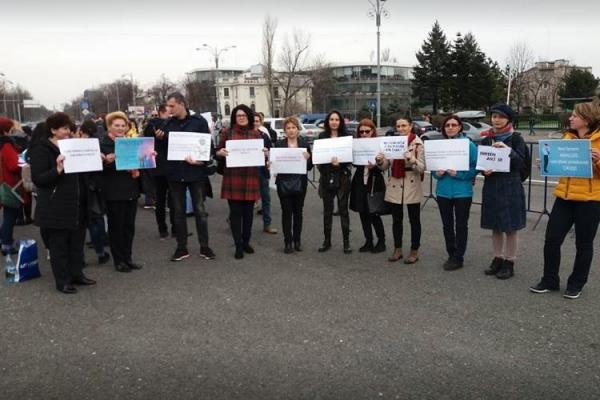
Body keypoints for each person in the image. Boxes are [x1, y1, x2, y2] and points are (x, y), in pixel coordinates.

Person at [530, 102, 600, 299]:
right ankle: (549, 280)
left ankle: (576, 283)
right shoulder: (567, 137)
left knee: (584, 244)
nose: (570, 118)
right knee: (552, 239)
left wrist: (598, 159)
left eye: (574, 116)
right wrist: (545, 163)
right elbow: (562, 165)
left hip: (590, 200)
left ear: (587, 118)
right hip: (564, 197)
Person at [29, 112, 96, 294]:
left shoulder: (72, 146)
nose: (69, 131)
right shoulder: (41, 149)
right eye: (65, 128)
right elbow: (39, 179)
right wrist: (57, 169)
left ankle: (77, 274)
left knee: (77, 242)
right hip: (56, 204)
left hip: (78, 202)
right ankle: (63, 280)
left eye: (70, 128)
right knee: (59, 245)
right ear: (53, 130)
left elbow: (84, 171)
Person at [162, 92, 216, 262]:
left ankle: (204, 246)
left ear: (182, 104)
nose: (169, 109)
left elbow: (208, 146)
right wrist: (159, 141)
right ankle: (181, 247)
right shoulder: (168, 124)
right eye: (168, 106)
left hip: (195, 174)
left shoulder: (198, 122)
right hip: (175, 174)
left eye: (172, 106)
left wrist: (201, 161)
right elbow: (164, 150)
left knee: (200, 211)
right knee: (178, 212)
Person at [480, 102, 528, 280]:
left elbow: (521, 164)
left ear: (508, 119)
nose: (496, 120)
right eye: (494, 116)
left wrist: (509, 151)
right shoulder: (487, 139)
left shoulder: (516, 139)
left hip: (510, 185)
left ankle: (510, 261)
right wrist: (484, 170)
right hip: (492, 185)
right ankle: (497, 258)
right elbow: (482, 162)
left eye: (501, 116)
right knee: (495, 225)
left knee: (511, 226)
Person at [216, 104, 268, 259]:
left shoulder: (256, 134)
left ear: (249, 117)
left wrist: (265, 153)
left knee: (248, 214)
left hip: (250, 177)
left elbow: (263, 154)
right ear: (234, 117)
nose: (241, 118)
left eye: (244, 115)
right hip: (233, 178)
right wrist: (221, 152)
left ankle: (246, 241)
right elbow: (217, 150)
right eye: (238, 116)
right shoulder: (227, 132)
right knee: (236, 213)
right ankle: (238, 245)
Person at [432, 115, 478, 270]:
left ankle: (459, 257)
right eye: (447, 125)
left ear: (460, 127)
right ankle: (451, 253)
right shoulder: (439, 145)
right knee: (447, 225)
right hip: (443, 192)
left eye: (453, 125)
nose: (450, 127)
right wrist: (436, 173)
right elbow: (433, 168)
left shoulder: (469, 145)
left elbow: (475, 167)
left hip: (462, 193)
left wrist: (458, 174)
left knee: (461, 225)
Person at [378, 116, 425, 264]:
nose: (401, 129)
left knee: (414, 219)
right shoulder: (392, 142)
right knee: (396, 219)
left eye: (404, 125)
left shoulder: (418, 143)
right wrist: (380, 161)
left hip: (411, 181)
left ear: (410, 126)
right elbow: (385, 166)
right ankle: (397, 249)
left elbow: (422, 167)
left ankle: (414, 250)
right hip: (395, 181)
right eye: (398, 126)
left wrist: (411, 159)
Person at [100, 111, 143, 273]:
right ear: (109, 126)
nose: (120, 128)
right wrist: (109, 161)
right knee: (116, 227)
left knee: (129, 227)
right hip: (113, 191)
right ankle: (119, 260)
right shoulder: (103, 145)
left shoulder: (130, 142)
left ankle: (128, 258)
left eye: (123, 125)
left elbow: (139, 162)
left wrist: (147, 157)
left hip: (131, 189)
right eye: (116, 125)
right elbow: (98, 168)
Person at [274, 116, 312, 253]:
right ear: (285, 130)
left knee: (298, 213)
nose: (291, 130)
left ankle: (297, 240)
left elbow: (309, 167)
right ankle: (287, 242)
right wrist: (270, 164)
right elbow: (275, 164)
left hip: (300, 183)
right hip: (283, 183)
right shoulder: (279, 145)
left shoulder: (304, 144)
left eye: (293, 128)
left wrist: (308, 159)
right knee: (286, 213)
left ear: (298, 129)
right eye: (288, 128)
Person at [317, 110, 353, 254]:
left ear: (340, 122)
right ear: (327, 121)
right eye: (331, 119)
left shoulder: (346, 137)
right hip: (327, 176)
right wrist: (327, 166)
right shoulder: (322, 136)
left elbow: (350, 159)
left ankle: (346, 242)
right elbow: (319, 159)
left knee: (343, 210)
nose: (334, 122)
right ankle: (327, 241)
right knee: (327, 211)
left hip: (342, 176)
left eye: (337, 119)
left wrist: (340, 165)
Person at [349, 118, 386, 254]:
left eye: (367, 131)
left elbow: (385, 165)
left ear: (373, 131)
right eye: (361, 131)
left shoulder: (379, 144)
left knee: (374, 212)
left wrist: (376, 164)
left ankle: (381, 241)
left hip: (374, 181)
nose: (364, 134)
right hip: (360, 180)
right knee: (362, 212)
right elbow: (354, 163)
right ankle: (368, 241)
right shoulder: (356, 144)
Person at [78, 120, 110, 265]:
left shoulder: (72, 145)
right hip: (93, 187)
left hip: (79, 187)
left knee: (79, 225)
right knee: (96, 220)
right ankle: (100, 252)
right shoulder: (98, 144)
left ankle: (80, 258)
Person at [143, 103, 175, 239]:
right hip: (169, 166)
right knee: (172, 200)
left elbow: (146, 142)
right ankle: (175, 229)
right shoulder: (166, 125)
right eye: (169, 112)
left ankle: (163, 229)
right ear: (162, 112)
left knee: (161, 200)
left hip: (157, 167)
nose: (171, 114)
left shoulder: (149, 126)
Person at [0, 117, 22, 255]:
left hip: (2, 182)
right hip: (9, 184)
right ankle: (6, 244)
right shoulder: (6, 145)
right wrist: (22, 160)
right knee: (10, 215)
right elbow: (14, 166)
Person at [254, 112, 278, 234]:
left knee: (266, 198)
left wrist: (267, 153)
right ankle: (233, 220)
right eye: (253, 121)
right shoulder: (244, 137)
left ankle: (267, 225)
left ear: (261, 123)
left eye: (257, 121)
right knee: (244, 200)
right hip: (247, 172)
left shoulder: (264, 136)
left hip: (262, 170)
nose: (255, 123)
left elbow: (271, 153)